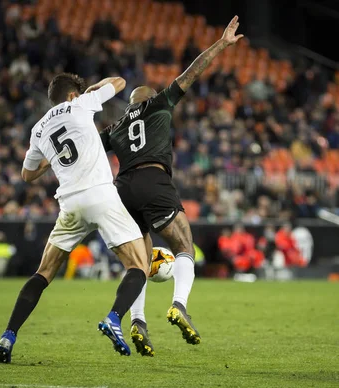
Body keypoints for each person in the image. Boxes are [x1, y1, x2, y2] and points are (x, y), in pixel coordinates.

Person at [98, 16, 244, 356]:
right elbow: (193, 72)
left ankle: (138, 322)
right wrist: (221, 44)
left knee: (139, 260)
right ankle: (179, 304)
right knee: (184, 246)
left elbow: (86, 147)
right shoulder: (160, 103)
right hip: (153, 179)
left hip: (122, 189)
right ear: (149, 98)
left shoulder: (116, 128)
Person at [0, 73, 150, 362]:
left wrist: (48, 162)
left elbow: (26, 175)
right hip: (101, 196)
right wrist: (91, 90)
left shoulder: (38, 129)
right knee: (139, 265)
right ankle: (114, 319)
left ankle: (8, 336)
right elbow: (119, 82)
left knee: (43, 273)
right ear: (71, 95)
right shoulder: (81, 104)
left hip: (70, 203)